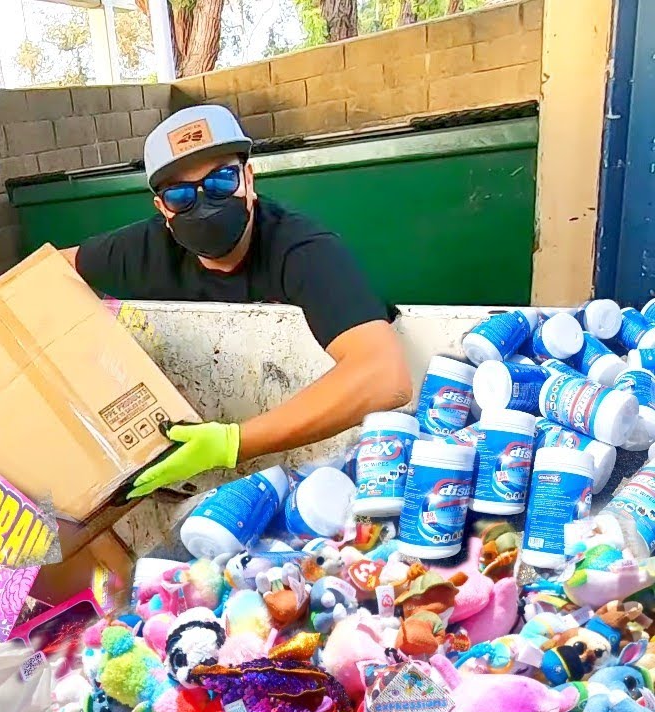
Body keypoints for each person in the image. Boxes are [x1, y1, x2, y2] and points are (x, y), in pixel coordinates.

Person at [59, 104, 412, 499]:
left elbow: (385, 376)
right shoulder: (144, 248)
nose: (204, 203)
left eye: (221, 181)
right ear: (162, 209)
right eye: (179, 194)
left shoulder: (299, 248)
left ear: (248, 178)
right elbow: (44, 278)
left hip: (311, 484)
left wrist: (231, 445)